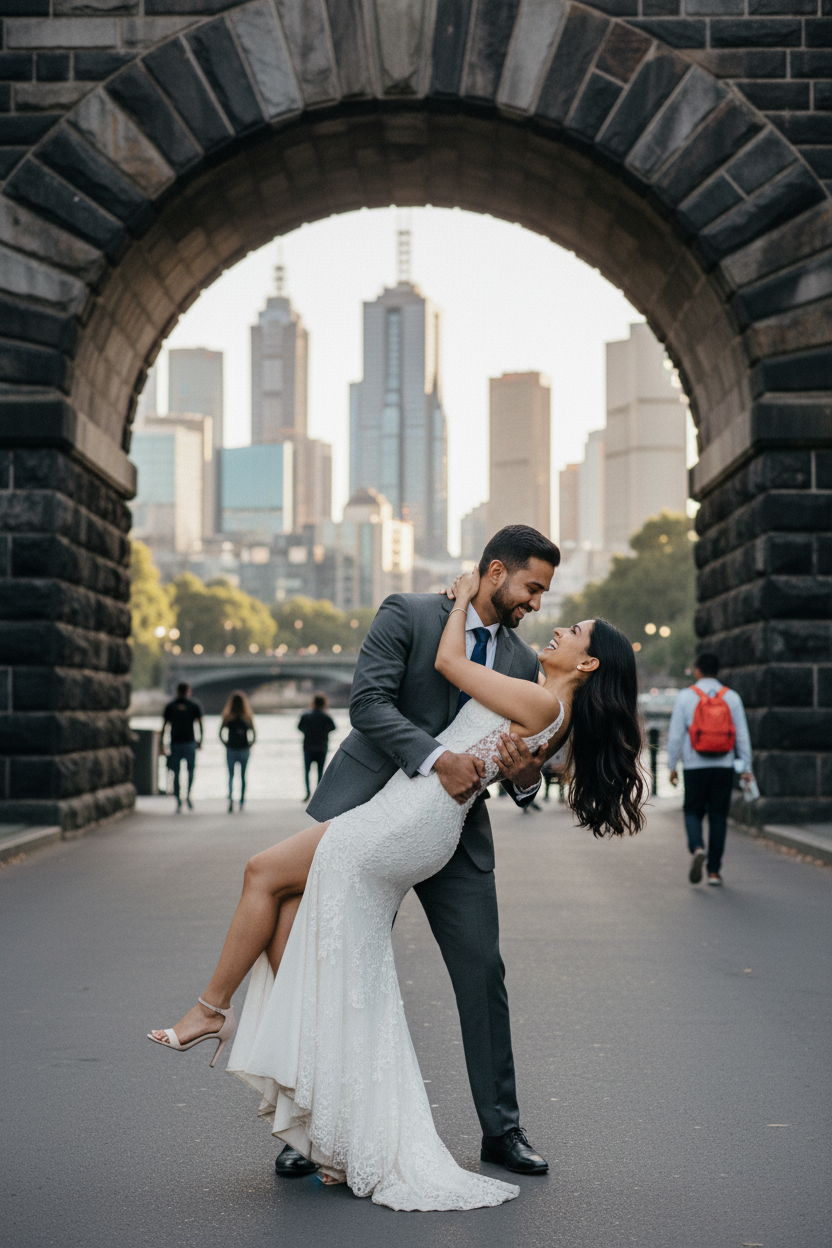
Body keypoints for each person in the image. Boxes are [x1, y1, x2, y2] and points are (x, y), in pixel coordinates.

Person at [147, 534, 647, 1210]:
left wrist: (526, 779)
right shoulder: (408, 611)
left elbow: (526, 760)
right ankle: (315, 1124)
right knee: (313, 947)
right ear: (495, 573)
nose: (538, 605)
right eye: (532, 588)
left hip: (444, 834)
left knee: (481, 974)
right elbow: (368, 705)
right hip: (375, 802)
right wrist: (436, 758)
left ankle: (502, 1132)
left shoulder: (527, 661)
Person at [667, 653, 753, 886]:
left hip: (695, 765)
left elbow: (675, 735)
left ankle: (697, 849)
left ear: (697, 671)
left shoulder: (686, 697)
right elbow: (742, 735)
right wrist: (746, 767)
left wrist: (672, 766)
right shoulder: (731, 697)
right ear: (718, 671)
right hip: (723, 765)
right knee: (718, 817)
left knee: (692, 811)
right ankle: (714, 872)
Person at [162, 683, 203, 813]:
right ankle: (188, 795)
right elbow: (200, 724)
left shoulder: (170, 706)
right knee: (190, 771)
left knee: (176, 772)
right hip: (190, 743)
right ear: (188, 691)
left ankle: (179, 800)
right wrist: (200, 740)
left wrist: (162, 744)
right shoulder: (194, 705)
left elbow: (164, 726)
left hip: (175, 743)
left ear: (177, 691)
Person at [220, 692, 256, 813]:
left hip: (231, 749)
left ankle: (231, 800)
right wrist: (250, 744)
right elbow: (254, 734)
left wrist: (226, 743)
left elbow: (220, 733)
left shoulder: (228, 716)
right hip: (244, 749)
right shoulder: (247, 716)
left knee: (231, 776)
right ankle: (241, 801)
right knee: (243, 776)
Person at [298, 694, 336, 801]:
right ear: (324, 704)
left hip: (308, 747)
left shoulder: (306, 716)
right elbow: (333, 727)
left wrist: (308, 732)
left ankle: (307, 793)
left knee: (307, 771)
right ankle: (318, 795)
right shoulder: (326, 716)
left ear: (313, 703)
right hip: (322, 747)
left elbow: (299, 727)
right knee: (320, 772)